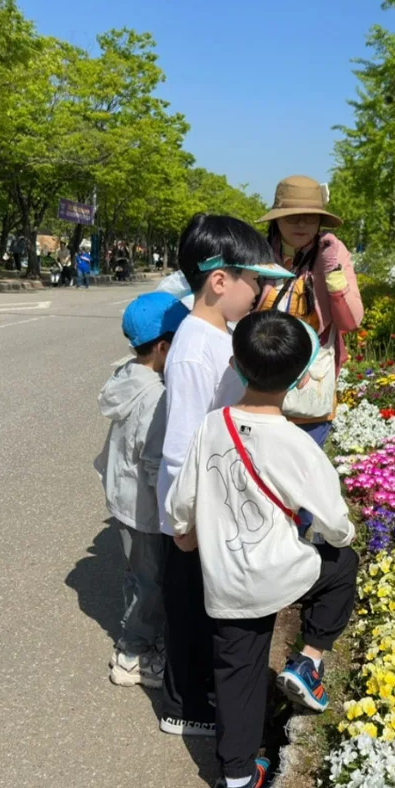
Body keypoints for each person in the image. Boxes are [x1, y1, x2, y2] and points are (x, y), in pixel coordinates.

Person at [166, 309, 358, 788]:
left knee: (238, 674)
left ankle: (233, 783)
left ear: (235, 364)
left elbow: (183, 503)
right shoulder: (297, 443)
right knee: (341, 566)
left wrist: (185, 535)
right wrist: (340, 537)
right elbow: (335, 521)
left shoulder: (212, 426)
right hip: (285, 574)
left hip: (227, 583)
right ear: (300, 379)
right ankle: (308, 661)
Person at [156, 213, 274, 737]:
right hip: (192, 510)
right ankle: (184, 706)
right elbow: (180, 447)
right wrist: (185, 522)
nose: (261, 291)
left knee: (204, 607)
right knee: (187, 610)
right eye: (256, 280)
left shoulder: (216, 334)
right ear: (219, 281)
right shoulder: (193, 350)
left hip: (209, 500)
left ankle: (199, 688)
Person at [255, 176, 364, 536]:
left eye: (309, 217)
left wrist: (334, 276)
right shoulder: (257, 255)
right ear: (276, 219)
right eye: (292, 216)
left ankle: (294, 553)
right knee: (259, 477)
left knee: (299, 481)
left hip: (311, 392)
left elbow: (350, 320)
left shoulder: (333, 253)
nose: (301, 224)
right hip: (259, 384)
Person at [95, 292, 190, 688]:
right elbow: (154, 462)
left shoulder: (127, 375)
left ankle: (137, 636)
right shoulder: (159, 397)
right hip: (146, 509)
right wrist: (177, 514)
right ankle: (133, 655)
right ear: (165, 347)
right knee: (151, 583)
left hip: (123, 500)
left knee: (139, 575)